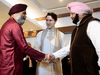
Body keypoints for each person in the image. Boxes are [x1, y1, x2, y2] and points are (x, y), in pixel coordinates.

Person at [48, 2, 100, 75]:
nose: (70, 16)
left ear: (81, 13)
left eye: (72, 13)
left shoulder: (92, 24)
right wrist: (54, 55)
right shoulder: (76, 29)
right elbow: (69, 48)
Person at [0, 4, 49, 75]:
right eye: (24, 13)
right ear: (16, 13)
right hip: (13, 67)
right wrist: (43, 56)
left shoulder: (5, 25)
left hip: (5, 66)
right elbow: (25, 48)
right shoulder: (15, 26)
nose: (25, 17)